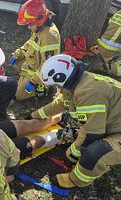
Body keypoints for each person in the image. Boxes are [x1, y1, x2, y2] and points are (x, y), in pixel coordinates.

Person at [36, 54, 121, 188]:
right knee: (82, 139)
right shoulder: (80, 82)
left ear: (62, 78)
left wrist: (70, 156)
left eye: (56, 84)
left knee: (95, 153)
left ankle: (74, 181)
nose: (57, 88)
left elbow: (92, 134)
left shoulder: (88, 92)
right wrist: (34, 115)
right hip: (114, 124)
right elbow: (59, 104)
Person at [9, 0, 60, 101]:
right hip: (33, 62)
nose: (28, 27)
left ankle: (44, 85)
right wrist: (17, 54)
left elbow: (48, 65)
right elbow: (30, 43)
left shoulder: (49, 36)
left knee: (18, 96)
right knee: (15, 63)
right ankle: (26, 78)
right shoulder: (40, 28)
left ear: (39, 20)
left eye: (30, 24)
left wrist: (34, 82)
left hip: (39, 70)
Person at [94, 8, 121, 81]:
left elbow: (109, 24)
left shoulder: (119, 12)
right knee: (118, 70)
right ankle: (109, 72)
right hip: (112, 50)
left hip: (102, 44)